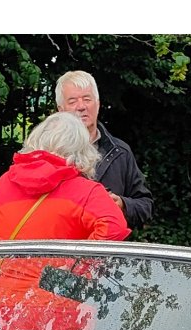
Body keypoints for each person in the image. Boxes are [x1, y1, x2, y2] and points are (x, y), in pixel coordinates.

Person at [0, 111, 129, 330]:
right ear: (81, 151)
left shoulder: (4, 184)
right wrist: (78, 271)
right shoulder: (87, 192)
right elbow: (115, 228)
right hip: (60, 312)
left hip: (7, 309)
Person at [55, 70, 153, 233]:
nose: (81, 107)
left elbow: (146, 205)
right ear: (60, 109)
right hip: (61, 252)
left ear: (98, 104)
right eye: (72, 101)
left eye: (87, 99)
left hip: (107, 253)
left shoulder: (120, 152)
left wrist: (123, 204)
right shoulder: (48, 152)